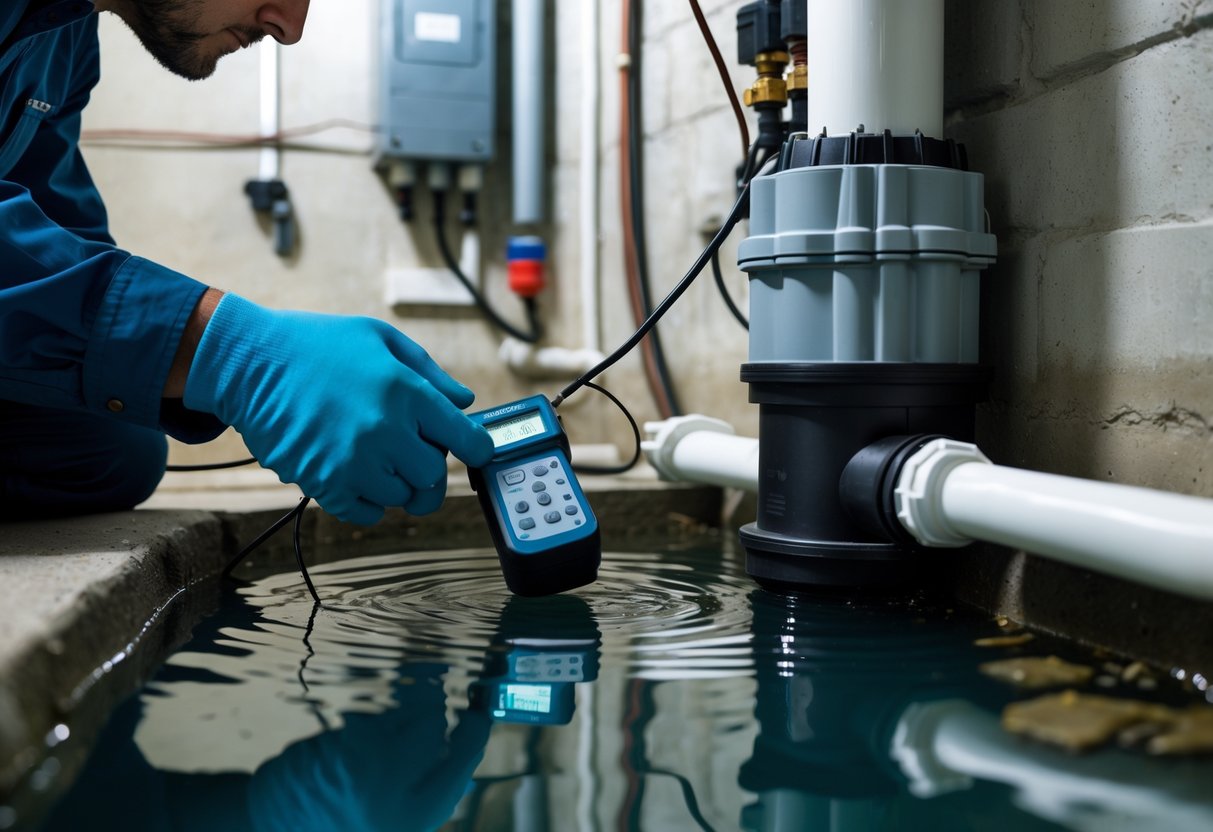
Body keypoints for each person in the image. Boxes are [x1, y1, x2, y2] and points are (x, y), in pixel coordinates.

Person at [0, 0, 495, 524]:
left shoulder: (64, 41)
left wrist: (215, 385)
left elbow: (58, 230)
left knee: (111, 452)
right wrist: (231, 354)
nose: (289, 27)